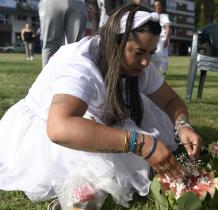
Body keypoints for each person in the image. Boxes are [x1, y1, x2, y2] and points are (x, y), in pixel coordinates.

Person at [0, 4, 202, 209]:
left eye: (150, 53)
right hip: (57, 129)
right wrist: (141, 144)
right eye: (139, 52)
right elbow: (59, 128)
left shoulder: (140, 65)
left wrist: (183, 125)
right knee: (95, 168)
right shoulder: (81, 64)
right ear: (116, 44)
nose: (145, 63)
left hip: (97, 117)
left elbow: (170, 101)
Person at [38, 0, 88, 67]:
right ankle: (48, 76)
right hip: (51, 2)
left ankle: (72, 76)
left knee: (76, 46)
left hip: (78, 2)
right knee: (50, 44)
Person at [151, 0, 170, 75]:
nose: (157, 7)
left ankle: (163, 72)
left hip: (162, 38)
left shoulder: (164, 16)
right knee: (155, 54)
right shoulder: (152, 15)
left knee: (163, 55)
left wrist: (166, 39)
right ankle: (155, 71)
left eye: (158, 5)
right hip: (155, 38)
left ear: (161, 6)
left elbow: (168, 28)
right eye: (155, 5)